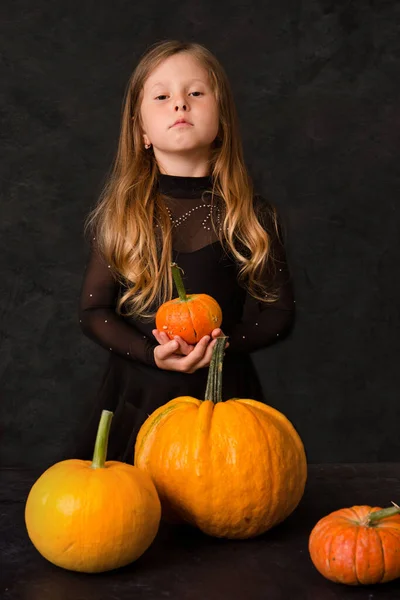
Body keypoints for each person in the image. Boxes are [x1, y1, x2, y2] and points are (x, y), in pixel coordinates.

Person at [73, 40, 295, 464]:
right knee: (131, 514)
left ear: (222, 120)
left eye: (195, 93)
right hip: (140, 399)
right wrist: (149, 353)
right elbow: (92, 311)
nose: (180, 104)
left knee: (228, 510)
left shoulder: (249, 216)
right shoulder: (123, 215)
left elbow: (280, 315)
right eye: (162, 96)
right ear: (141, 131)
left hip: (224, 407)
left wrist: (223, 346)